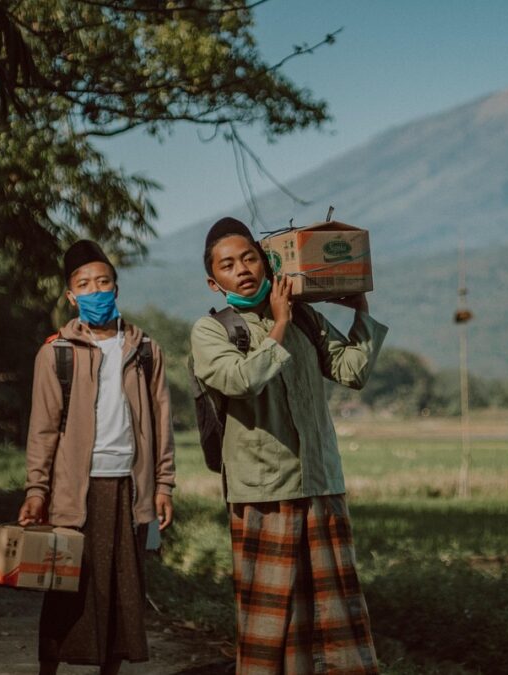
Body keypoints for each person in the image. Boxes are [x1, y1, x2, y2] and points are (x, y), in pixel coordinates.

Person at [190, 217, 387, 674]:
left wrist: (360, 310)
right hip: (264, 491)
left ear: (268, 263)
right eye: (227, 265)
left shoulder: (305, 318)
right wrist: (278, 324)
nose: (242, 269)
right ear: (214, 282)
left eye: (249, 258)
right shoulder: (212, 330)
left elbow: (352, 372)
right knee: (271, 623)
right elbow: (240, 381)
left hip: (320, 483)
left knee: (332, 618)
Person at [18, 239, 176, 675]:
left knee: (123, 590)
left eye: (103, 282)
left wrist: (163, 485)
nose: (95, 291)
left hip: (128, 487)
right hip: (75, 491)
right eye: (84, 284)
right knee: (65, 586)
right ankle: (48, 668)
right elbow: (43, 430)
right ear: (71, 296)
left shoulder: (145, 351)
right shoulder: (56, 353)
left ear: (116, 288)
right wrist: (36, 490)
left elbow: (161, 423)